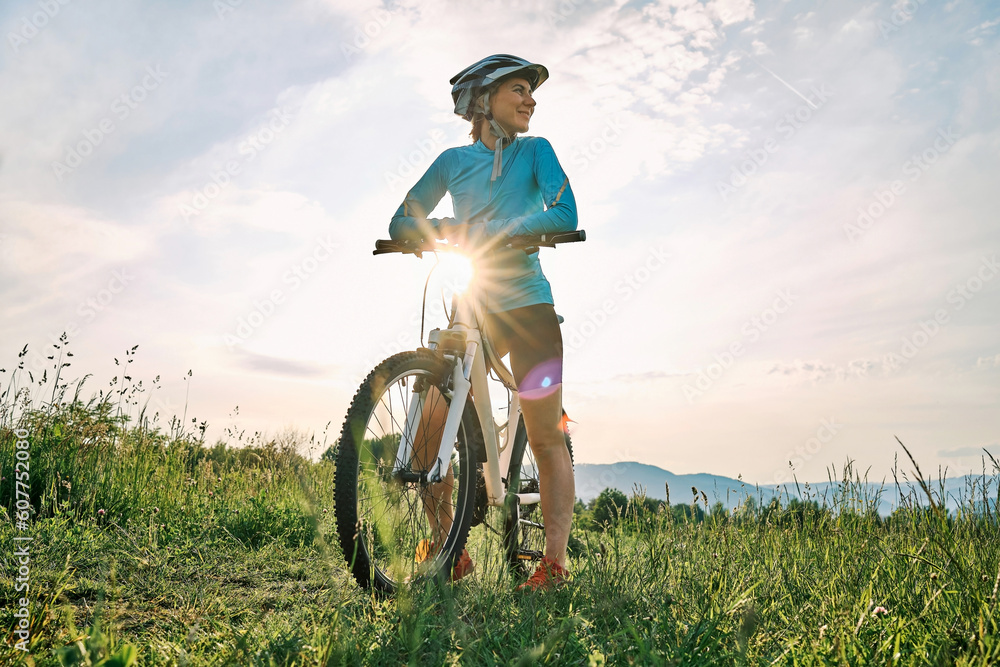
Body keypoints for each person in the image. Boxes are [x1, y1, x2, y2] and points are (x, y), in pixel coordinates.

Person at [389, 54, 578, 591]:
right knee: (427, 424)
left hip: (529, 311)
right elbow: (403, 217)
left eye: (530, 91)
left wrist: (505, 227)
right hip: (472, 304)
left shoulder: (537, 152)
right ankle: (449, 541)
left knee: (545, 435)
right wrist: (446, 226)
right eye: (518, 89)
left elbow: (565, 214)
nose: (530, 99)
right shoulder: (452, 162)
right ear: (483, 103)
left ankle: (554, 564)